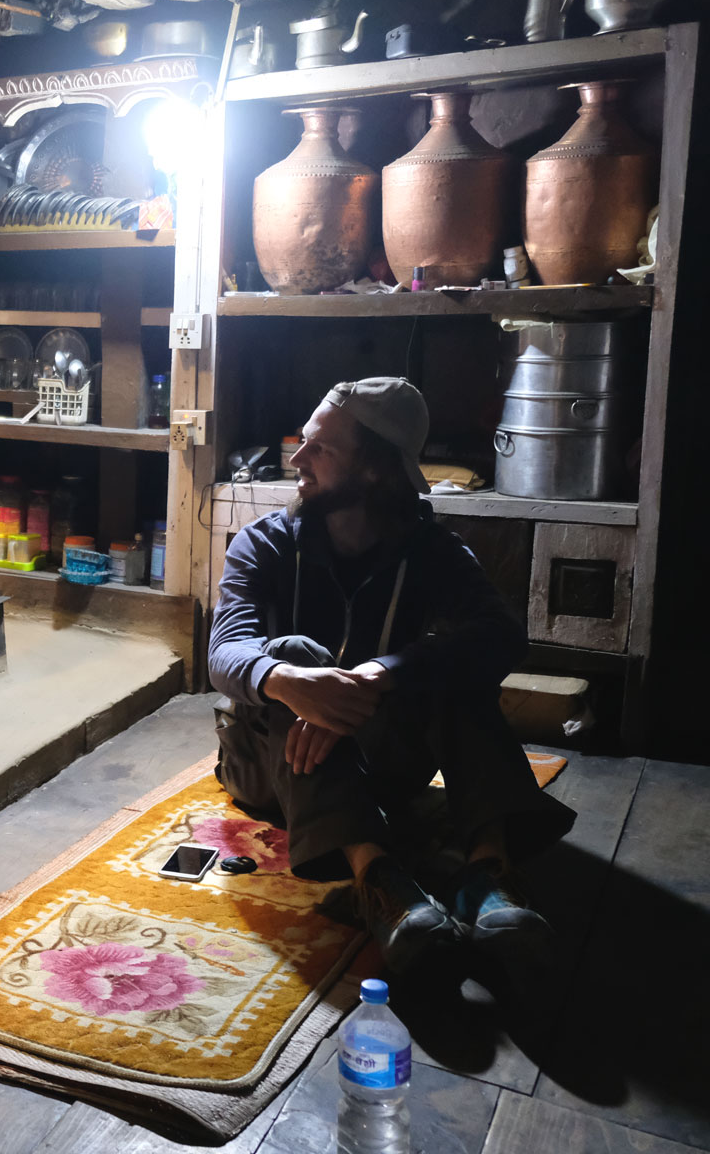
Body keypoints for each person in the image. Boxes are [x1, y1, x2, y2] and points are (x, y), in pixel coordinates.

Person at [207, 378, 575, 978]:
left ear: (376, 470)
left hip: (382, 764)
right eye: (302, 442)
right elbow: (224, 653)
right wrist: (290, 680)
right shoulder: (265, 545)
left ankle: (489, 875)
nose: (297, 459)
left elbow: (502, 635)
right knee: (294, 651)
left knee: (448, 666)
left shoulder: (431, 551)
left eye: (319, 448)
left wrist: (380, 676)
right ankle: (377, 879)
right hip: (266, 765)